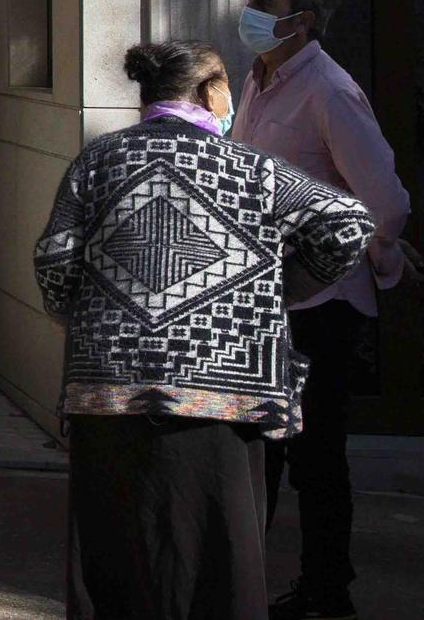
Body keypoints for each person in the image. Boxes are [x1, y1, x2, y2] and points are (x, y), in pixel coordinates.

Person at [35, 40, 373, 620]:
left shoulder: (97, 161)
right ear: (210, 90)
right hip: (226, 393)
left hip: (109, 389)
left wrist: (91, 319)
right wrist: (275, 291)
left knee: (115, 559)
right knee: (220, 564)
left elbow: (55, 263)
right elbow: (348, 224)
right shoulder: (254, 169)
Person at [231, 0, 416, 620]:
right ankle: (243, 587)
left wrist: (377, 252)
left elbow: (386, 201)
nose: (247, 6)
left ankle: (326, 590)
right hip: (268, 298)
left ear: (301, 19)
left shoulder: (329, 91)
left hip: (320, 302)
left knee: (312, 456)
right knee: (258, 451)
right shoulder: (261, 80)